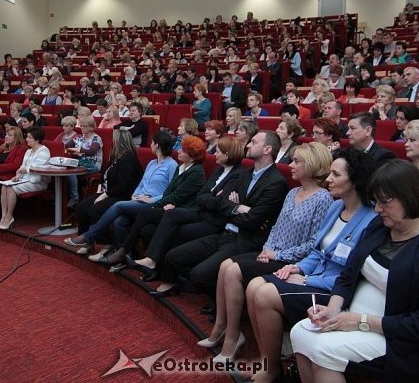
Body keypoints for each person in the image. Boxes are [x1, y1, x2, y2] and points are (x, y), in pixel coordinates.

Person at [291, 160, 419, 383]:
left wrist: (361, 321)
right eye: (375, 201)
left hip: (406, 342)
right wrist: (333, 308)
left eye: (384, 202)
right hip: (358, 321)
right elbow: (348, 273)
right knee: (301, 332)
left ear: (410, 197)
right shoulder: (381, 226)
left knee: (321, 348)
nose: (377, 209)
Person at [245, 148, 378, 382]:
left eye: (336, 175)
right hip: (313, 277)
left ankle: (272, 369)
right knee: (254, 285)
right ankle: (270, 360)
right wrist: (299, 268)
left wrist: (308, 280)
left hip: (334, 290)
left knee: (264, 294)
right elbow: (317, 251)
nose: (328, 179)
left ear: (355, 180)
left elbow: (350, 272)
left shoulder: (370, 219)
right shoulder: (336, 207)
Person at [199, 143, 333, 363]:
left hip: (292, 261)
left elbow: (313, 244)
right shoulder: (292, 193)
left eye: (297, 161)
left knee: (233, 271)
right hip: (272, 253)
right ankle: (222, 328)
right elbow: (276, 228)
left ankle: (232, 337)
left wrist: (277, 256)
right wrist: (266, 249)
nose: (290, 165)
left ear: (312, 164)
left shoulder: (323, 199)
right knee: (225, 266)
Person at [151, 131, 289, 298]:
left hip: (243, 240)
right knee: (173, 257)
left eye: (253, 142)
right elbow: (222, 203)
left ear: (267, 149)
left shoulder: (276, 182)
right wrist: (237, 208)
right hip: (224, 232)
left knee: (199, 274)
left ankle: (223, 301)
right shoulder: (245, 173)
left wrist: (232, 207)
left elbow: (252, 220)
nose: (248, 145)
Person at [125, 136, 245, 277]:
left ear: (227, 154)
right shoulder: (219, 170)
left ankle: (161, 269)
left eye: (218, 151)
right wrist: (212, 197)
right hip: (201, 213)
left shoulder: (238, 174)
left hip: (213, 221)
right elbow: (201, 196)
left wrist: (210, 198)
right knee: (151, 227)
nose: (214, 154)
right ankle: (153, 263)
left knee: (171, 228)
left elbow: (220, 203)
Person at [97, 136, 207, 266]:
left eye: (183, 150)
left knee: (135, 210)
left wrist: (155, 205)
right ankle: (140, 260)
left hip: (185, 210)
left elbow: (178, 196)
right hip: (169, 206)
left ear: (192, 156)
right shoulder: (181, 167)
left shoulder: (196, 172)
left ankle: (121, 251)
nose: (179, 151)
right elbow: (169, 192)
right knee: (142, 228)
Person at [64, 132, 178, 249]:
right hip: (137, 199)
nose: (151, 144)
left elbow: (171, 191)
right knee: (114, 220)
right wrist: (135, 195)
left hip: (152, 203)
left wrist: (151, 199)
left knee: (113, 207)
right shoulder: (152, 163)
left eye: (153, 142)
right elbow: (141, 183)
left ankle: (89, 237)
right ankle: (121, 252)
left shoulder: (172, 165)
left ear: (157, 145)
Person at [73, 130, 143, 256]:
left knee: (95, 210)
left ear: (119, 142)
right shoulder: (116, 156)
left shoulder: (128, 160)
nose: (112, 141)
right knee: (81, 207)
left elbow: (123, 187)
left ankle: (107, 243)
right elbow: (104, 174)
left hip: (121, 196)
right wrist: (100, 189)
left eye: (114, 139)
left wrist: (105, 195)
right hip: (108, 191)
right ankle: (87, 243)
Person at [0, 127, 51, 230]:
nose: (27, 139)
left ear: (37, 139)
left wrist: (24, 170)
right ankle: (3, 216)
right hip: (24, 179)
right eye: (27, 137)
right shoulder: (28, 151)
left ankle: (9, 217)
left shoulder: (44, 151)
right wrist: (17, 175)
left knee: (11, 189)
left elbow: (38, 169)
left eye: (30, 137)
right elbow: (22, 167)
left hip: (37, 181)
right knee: (4, 186)